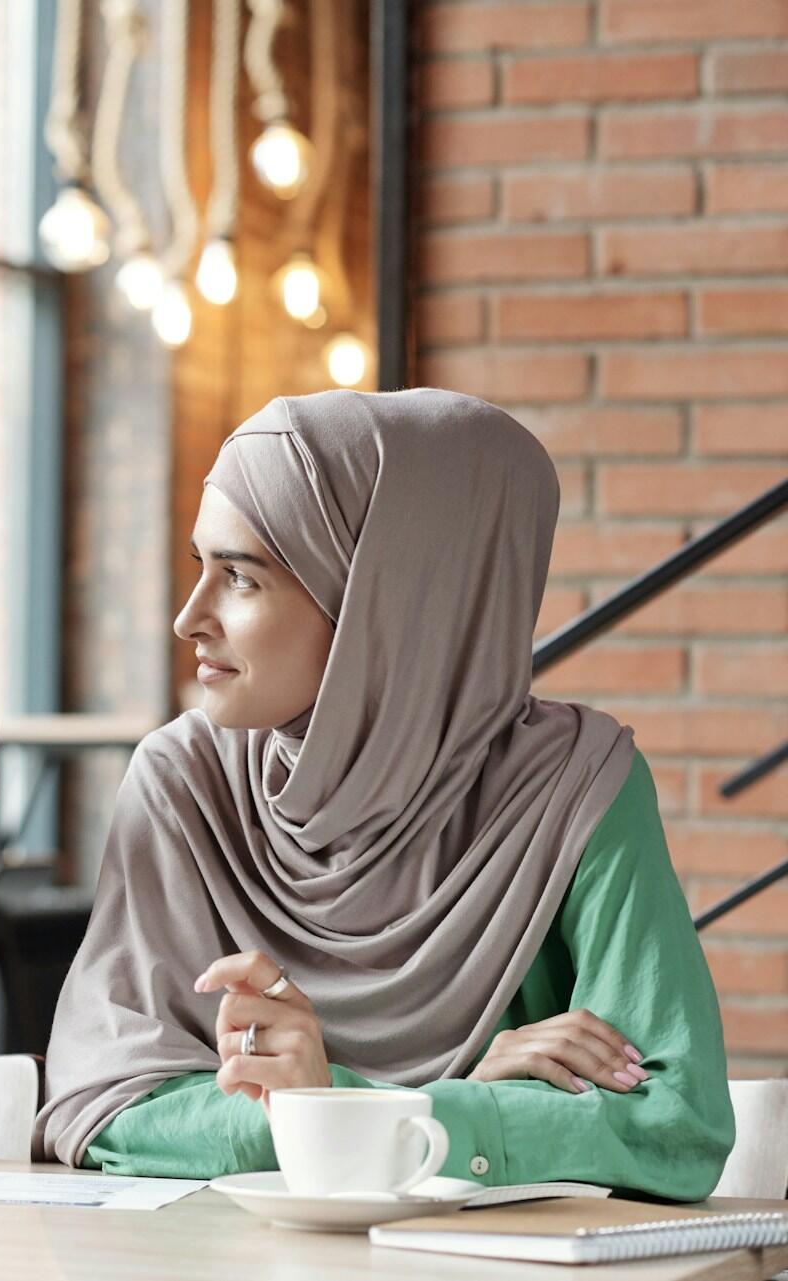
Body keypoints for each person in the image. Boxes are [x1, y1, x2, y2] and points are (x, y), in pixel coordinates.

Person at [38, 389, 734, 1201]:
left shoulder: (576, 787)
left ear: (384, 599)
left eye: (241, 577)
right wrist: (435, 1103)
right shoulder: (182, 786)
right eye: (201, 567)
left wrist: (336, 1105)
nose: (190, 616)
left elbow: (677, 1124)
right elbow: (99, 1109)